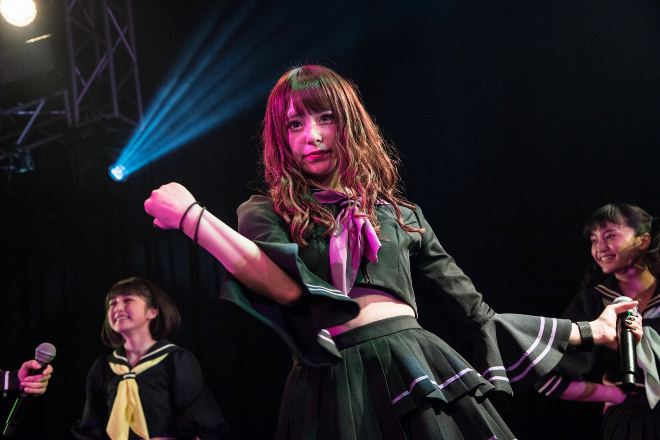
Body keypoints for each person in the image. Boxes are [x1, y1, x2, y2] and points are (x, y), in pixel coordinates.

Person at [144, 65, 641, 439]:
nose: (312, 136)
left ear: (350, 125)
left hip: (411, 365)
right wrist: (194, 220)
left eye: (325, 118)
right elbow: (288, 289)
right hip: (331, 384)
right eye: (294, 125)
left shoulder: (402, 215)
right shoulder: (266, 211)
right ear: (281, 139)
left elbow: (479, 316)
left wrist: (591, 331)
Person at [536, 203, 659, 440]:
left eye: (610, 236)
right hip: (630, 423)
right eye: (594, 240)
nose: (600, 247)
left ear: (643, 241)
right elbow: (546, 376)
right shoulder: (594, 302)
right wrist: (613, 395)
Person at [71, 277, 226, 440]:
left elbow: (203, 423)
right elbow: (91, 428)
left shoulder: (175, 361)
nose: (118, 307)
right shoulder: (104, 367)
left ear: (152, 312)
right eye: (112, 303)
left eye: (128, 300)